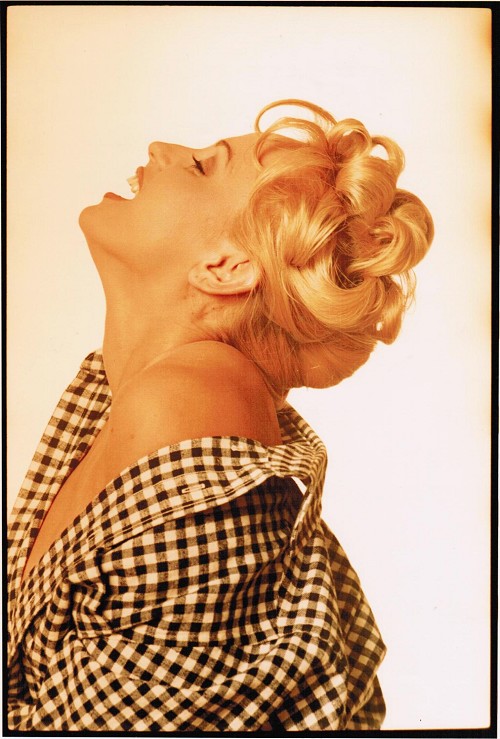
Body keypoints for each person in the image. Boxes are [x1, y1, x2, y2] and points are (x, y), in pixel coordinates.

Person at [7, 99, 433, 731]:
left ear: (227, 267)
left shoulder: (185, 399)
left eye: (203, 166)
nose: (160, 150)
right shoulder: (119, 393)